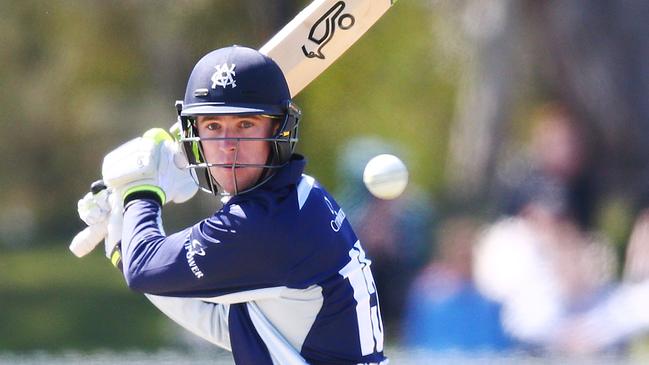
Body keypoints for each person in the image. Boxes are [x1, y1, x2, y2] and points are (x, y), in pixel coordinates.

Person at [77, 46, 387, 365]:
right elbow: (227, 321)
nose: (227, 146)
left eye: (245, 125)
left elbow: (146, 269)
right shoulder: (300, 195)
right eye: (213, 126)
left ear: (278, 130)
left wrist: (140, 191)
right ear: (192, 134)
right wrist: (123, 241)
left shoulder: (265, 225)